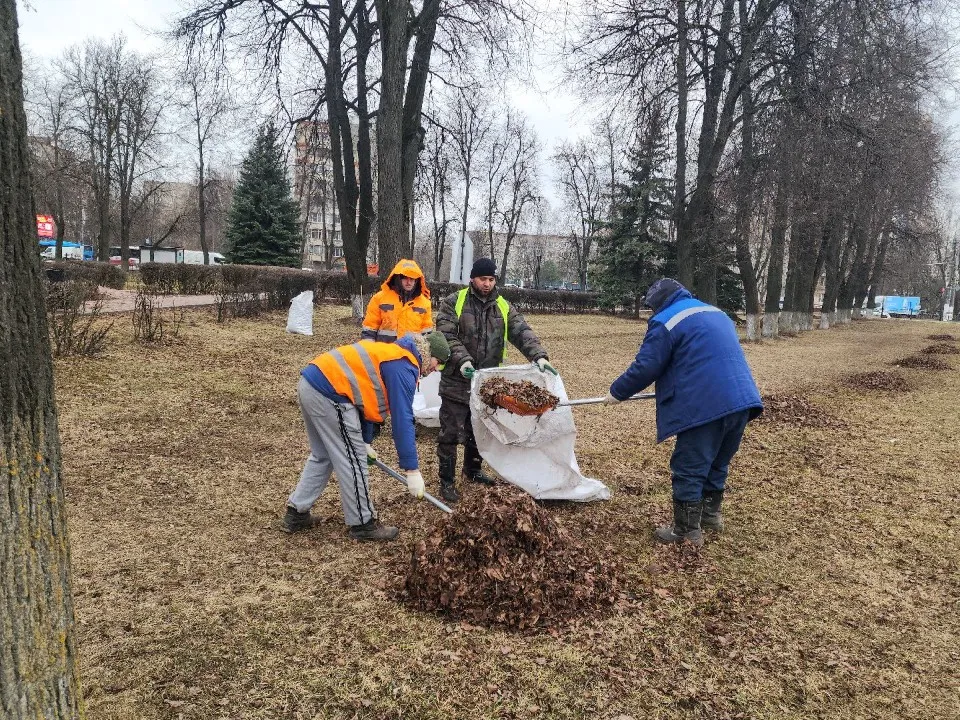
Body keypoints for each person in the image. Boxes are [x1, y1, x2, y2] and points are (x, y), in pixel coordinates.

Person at [605, 278, 763, 547]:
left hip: (706, 405)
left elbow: (646, 366)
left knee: (689, 465)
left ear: (659, 303)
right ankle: (710, 518)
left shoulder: (665, 321)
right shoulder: (715, 312)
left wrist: (617, 392)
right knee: (717, 461)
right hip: (742, 400)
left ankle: (687, 531)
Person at [282, 331, 451, 541]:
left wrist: (365, 441)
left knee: (323, 455)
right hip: (330, 392)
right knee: (353, 461)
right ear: (430, 353)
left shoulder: (393, 353)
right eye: (439, 363)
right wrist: (412, 469)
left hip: (312, 383)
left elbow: (368, 400)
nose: (435, 369)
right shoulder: (404, 365)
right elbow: (403, 419)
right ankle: (363, 523)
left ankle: (296, 513)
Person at [435, 257, 556, 503]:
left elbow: (522, 332)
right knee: (450, 432)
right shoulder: (454, 302)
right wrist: (463, 361)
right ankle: (446, 481)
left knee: (479, 428)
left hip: (487, 382)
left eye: (491, 279)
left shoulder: (502, 306)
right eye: (483, 279)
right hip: (456, 380)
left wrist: (539, 357)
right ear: (472, 279)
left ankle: (473, 470)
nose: (487, 284)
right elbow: (446, 335)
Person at [362, 259, 432, 342]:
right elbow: (370, 329)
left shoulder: (424, 303)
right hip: (385, 353)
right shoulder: (379, 298)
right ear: (398, 278)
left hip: (410, 353)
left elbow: (427, 335)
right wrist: (370, 351)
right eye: (404, 278)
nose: (408, 282)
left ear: (417, 280)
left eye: (412, 278)